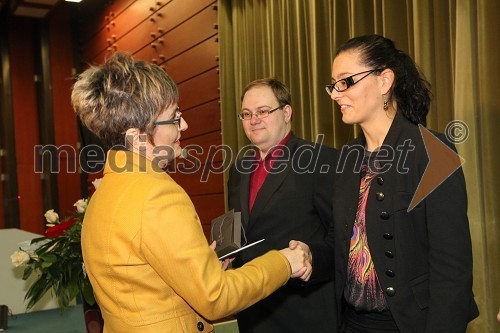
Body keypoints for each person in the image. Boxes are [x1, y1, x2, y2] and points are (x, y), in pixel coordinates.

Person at [73, 52, 309, 333]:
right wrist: (285, 261)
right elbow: (216, 297)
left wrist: (201, 268)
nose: (184, 126)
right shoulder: (156, 194)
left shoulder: (105, 192)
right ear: (137, 136)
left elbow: (142, 284)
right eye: (174, 118)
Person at [293, 34, 479, 332]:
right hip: (351, 323)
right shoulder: (348, 157)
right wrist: (309, 255)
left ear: (384, 81)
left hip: (409, 324)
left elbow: (452, 270)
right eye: (333, 84)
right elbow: (341, 243)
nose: (335, 94)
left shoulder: (433, 151)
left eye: (346, 82)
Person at [227, 78, 338, 333]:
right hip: (252, 312)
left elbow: (343, 238)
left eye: (263, 111)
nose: (253, 120)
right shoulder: (237, 169)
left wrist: (311, 257)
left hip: (303, 314)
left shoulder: (321, 160)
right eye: (246, 114)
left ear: (286, 112)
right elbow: (242, 230)